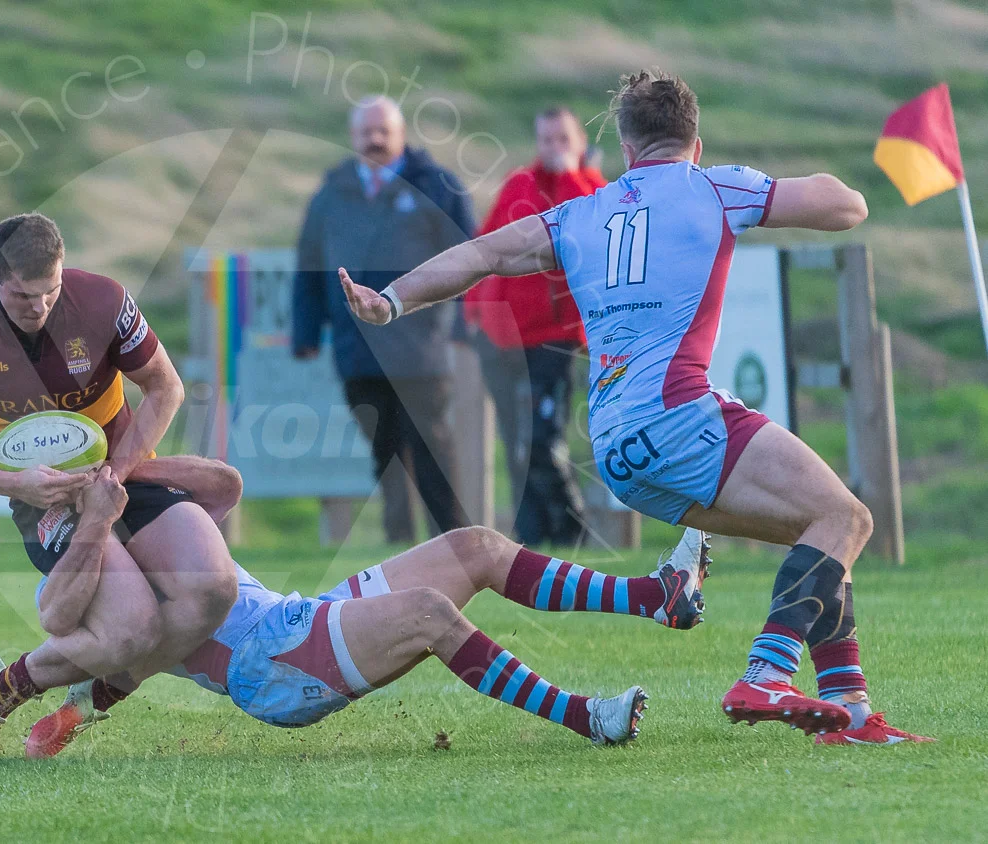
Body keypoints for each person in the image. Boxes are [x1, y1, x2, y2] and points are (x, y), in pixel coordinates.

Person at [337, 70, 931, 744]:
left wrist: (392, 300)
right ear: (695, 143)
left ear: (624, 148)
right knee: (847, 517)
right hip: (681, 415)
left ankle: (851, 712)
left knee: (820, 531)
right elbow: (846, 206)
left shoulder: (579, 213)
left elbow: (482, 254)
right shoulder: (714, 187)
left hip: (616, 449)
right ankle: (767, 673)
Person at [0, 454, 713, 758]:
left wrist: (123, 465)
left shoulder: (138, 516)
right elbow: (117, 646)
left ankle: (658, 597)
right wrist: (50, 707)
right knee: (428, 613)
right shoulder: (77, 574)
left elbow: (225, 486)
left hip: (297, 617)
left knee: (475, 546)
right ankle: (587, 718)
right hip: (271, 666)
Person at [0, 213, 237, 756]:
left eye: (50, 291)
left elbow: (166, 387)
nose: (39, 307)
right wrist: (15, 484)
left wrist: (116, 473)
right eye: (22, 295)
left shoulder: (104, 301)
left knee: (214, 590)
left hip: (124, 470)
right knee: (129, 631)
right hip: (44, 496)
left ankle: (90, 698)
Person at [291, 96, 473, 542]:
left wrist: (467, 322)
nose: (374, 139)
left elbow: (472, 256)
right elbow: (309, 263)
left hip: (420, 347)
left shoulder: (436, 186)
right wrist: (305, 332)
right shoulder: (332, 193)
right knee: (384, 455)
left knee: (431, 448)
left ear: (401, 135)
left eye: (382, 131)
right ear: (352, 136)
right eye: (365, 132)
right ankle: (400, 547)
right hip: (357, 349)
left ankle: (455, 544)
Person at [464, 106, 605, 546]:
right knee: (517, 445)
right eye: (546, 140)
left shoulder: (594, 191)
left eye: (563, 139)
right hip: (502, 340)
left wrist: (569, 175)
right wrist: (473, 310)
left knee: (543, 439)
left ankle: (572, 532)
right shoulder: (519, 184)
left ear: (580, 143)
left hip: (554, 341)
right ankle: (529, 540)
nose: (554, 148)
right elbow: (486, 246)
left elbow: (588, 237)